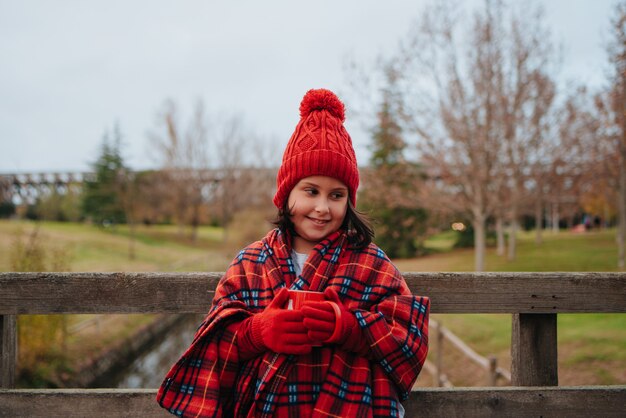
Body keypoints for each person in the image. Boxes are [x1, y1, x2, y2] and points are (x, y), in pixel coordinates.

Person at [157, 88, 430, 417]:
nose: (322, 208)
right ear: (286, 195)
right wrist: (258, 332)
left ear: (349, 201)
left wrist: (347, 326)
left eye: (336, 195)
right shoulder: (249, 262)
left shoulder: (372, 263)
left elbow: (408, 340)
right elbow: (216, 339)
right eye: (311, 191)